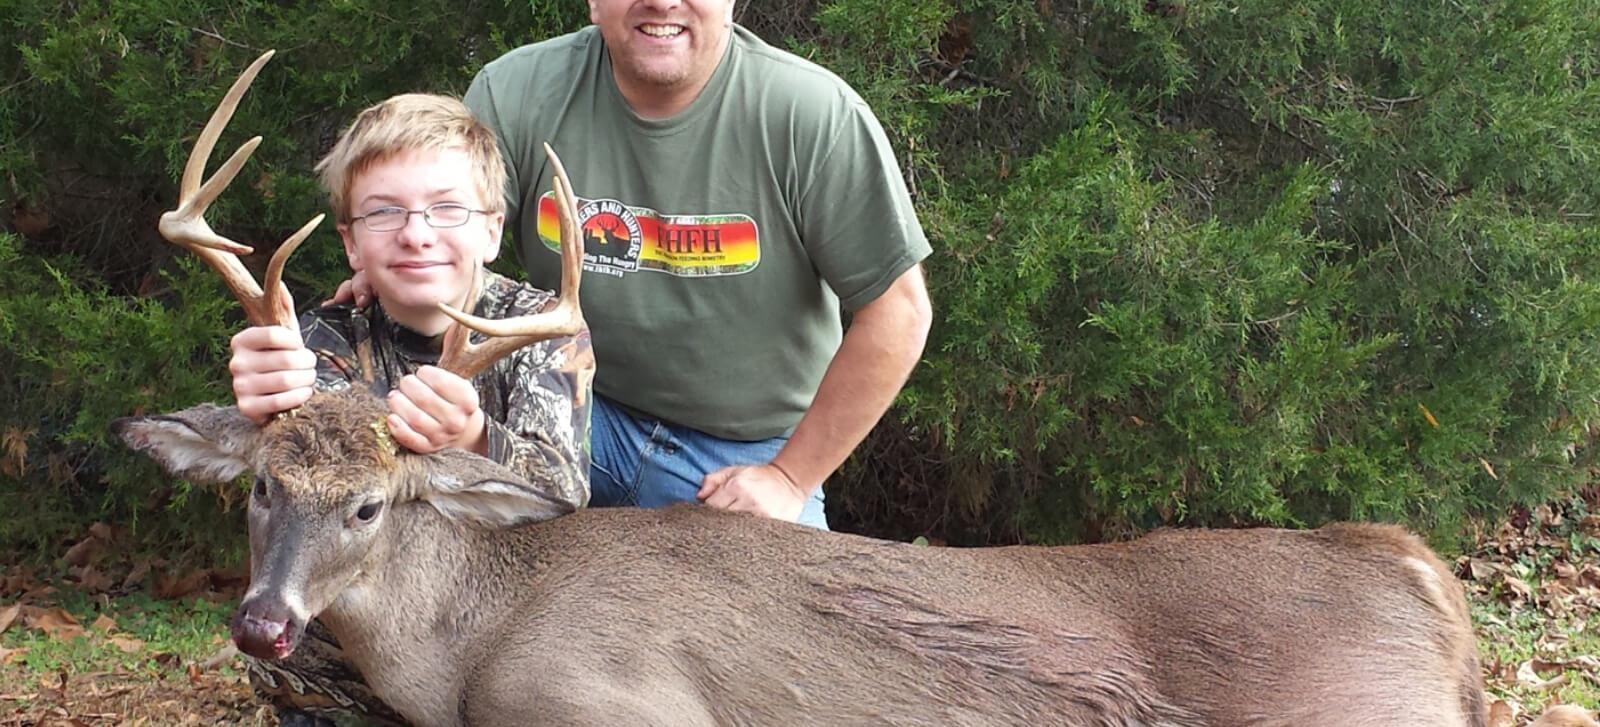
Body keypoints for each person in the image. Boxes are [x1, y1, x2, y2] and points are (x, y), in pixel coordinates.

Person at [395, 0, 928, 531]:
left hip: (740, 459)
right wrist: (391, 280)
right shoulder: (515, 90)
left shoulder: (810, 115)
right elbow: (441, 229)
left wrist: (790, 478)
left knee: (767, 613)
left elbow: (898, 313)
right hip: (563, 411)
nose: (662, 2)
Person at [227, 93, 593, 726]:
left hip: (514, 611)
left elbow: (565, 494)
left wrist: (477, 440)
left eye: (446, 209)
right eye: (383, 213)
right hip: (363, 621)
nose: (416, 233)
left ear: (493, 229)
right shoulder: (324, 340)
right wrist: (267, 398)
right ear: (350, 243)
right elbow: (305, 488)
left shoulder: (542, 329)